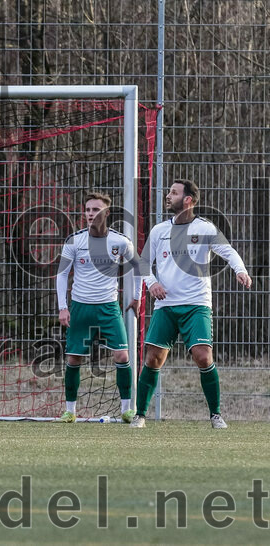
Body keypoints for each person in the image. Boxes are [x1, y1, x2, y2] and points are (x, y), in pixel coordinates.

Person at [132, 179, 252, 429]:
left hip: (196, 304)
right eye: (169, 192)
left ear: (188, 200)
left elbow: (228, 251)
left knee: (203, 356)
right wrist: (152, 283)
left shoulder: (205, 229)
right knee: (153, 358)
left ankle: (216, 415)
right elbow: (143, 263)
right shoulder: (158, 230)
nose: (168, 196)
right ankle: (139, 415)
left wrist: (240, 270)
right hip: (166, 306)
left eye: (174, 193)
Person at [55, 192, 142, 423]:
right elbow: (62, 274)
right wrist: (63, 307)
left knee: (123, 356)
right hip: (81, 307)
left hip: (109, 308)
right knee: (74, 359)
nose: (90, 214)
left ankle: (126, 410)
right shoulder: (75, 240)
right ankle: (70, 412)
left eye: (96, 209)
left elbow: (138, 266)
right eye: (88, 210)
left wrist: (137, 297)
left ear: (107, 213)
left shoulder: (120, 241)